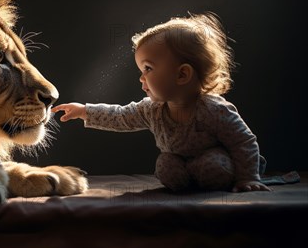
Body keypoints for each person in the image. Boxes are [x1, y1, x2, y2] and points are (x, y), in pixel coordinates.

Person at [53, 12, 269, 192]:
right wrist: (84, 111)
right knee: (165, 165)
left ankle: (215, 180)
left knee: (214, 165)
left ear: (182, 75)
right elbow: (120, 116)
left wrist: (248, 178)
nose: (141, 78)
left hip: (213, 158)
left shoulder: (213, 110)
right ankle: (188, 184)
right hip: (181, 162)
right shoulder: (152, 109)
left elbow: (243, 142)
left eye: (147, 69)